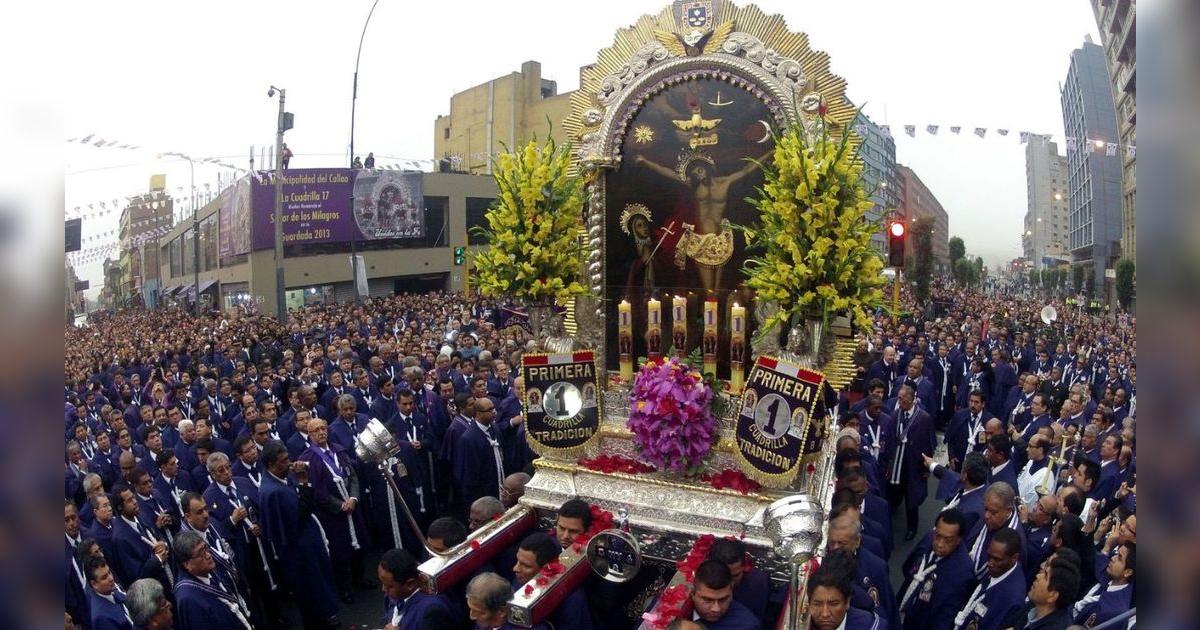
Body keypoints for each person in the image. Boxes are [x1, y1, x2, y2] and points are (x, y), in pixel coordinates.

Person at [258, 440, 340, 628]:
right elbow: (298, 517)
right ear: (271, 464)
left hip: (307, 543)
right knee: (311, 593)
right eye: (284, 461)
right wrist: (303, 483)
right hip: (299, 553)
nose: (289, 463)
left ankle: (325, 617)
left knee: (319, 586)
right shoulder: (273, 491)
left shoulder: (283, 478)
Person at [298, 417, 371, 603]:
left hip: (352, 507)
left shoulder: (339, 450)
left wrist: (353, 498)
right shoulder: (308, 458)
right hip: (332, 514)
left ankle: (359, 578)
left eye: (323, 428)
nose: (321, 432)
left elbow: (352, 476)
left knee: (358, 545)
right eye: (316, 430)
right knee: (340, 552)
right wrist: (339, 505)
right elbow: (315, 490)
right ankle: (344, 588)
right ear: (310, 434)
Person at [898, 508, 974, 630]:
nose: (940, 544)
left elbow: (944, 618)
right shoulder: (929, 539)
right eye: (938, 535)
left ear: (959, 540)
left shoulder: (961, 574)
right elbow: (908, 567)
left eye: (948, 540)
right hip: (902, 613)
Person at [883, 384, 936, 540]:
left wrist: (926, 469)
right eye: (898, 398)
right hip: (896, 464)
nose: (899, 401)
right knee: (892, 495)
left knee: (911, 499)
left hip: (913, 465)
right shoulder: (895, 415)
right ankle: (888, 525)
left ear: (911, 398)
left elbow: (929, 444)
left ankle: (912, 528)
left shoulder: (924, 418)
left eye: (901, 398)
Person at [171, 530, 253, 629]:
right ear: (186, 564)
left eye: (205, 548)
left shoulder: (205, 571)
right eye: (201, 554)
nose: (208, 555)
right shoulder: (189, 600)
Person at [511, 533, 592, 630]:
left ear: (546, 569)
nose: (515, 568)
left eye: (526, 566)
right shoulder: (520, 580)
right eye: (518, 561)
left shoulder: (572, 601)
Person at [953, 527, 1026, 630]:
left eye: (997, 559)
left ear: (1014, 558)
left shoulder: (1012, 599)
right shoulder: (1000, 571)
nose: (990, 563)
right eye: (989, 556)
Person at [377, 548, 454, 630]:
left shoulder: (431, 611)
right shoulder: (395, 595)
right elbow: (388, 617)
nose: (383, 589)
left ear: (410, 584)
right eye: (383, 583)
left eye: (390, 586)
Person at [708, 538, 770, 624]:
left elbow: (756, 619)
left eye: (736, 575)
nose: (731, 582)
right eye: (726, 576)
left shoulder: (757, 583)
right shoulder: (702, 579)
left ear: (743, 567)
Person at [1072, 542, 1134, 628]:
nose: (1112, 558)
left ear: (1127, 572)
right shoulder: (1110, 574)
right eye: (1116, 554)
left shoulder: (1115, 612)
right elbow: (1100, 560)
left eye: (1119, 558)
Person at [688, 559, 761, 629]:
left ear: (732, 591)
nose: (716, 609)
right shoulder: (681, 612)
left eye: (723, 600)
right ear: (693, 593)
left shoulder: (747, 626)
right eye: (707, 600)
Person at [1010, 558, 1080, 630]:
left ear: (1052, 595)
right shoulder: (1033, 604)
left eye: (1045, 576)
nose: (1038, 576)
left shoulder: (1056, 627)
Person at [466, 572, 546, 630]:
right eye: (471, 609)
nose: (471, 616)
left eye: (480, 612)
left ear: (502, 611)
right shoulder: (486, 624)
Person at [84, 556, 135, 630]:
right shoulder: (101, 618)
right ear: (94, 584)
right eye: (104, 577)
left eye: (109, 572)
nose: (111, 578)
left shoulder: (112, 592)